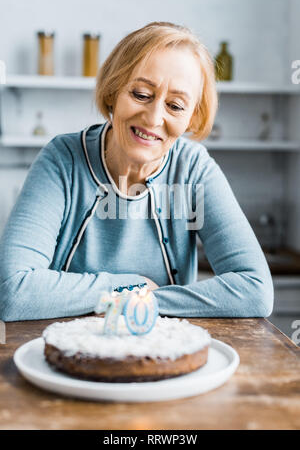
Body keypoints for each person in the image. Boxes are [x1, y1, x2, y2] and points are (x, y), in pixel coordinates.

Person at [0, 22, 273, 321]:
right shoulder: (62, 161)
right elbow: (12, 291)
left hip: (160, 351)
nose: (154, 117)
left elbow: (255, 290)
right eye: (141, 94)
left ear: (192, 117)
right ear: (114, 90)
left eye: (176, 106)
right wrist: (129, 287)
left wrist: (147, 300)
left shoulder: (193, 169)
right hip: (62, 351)